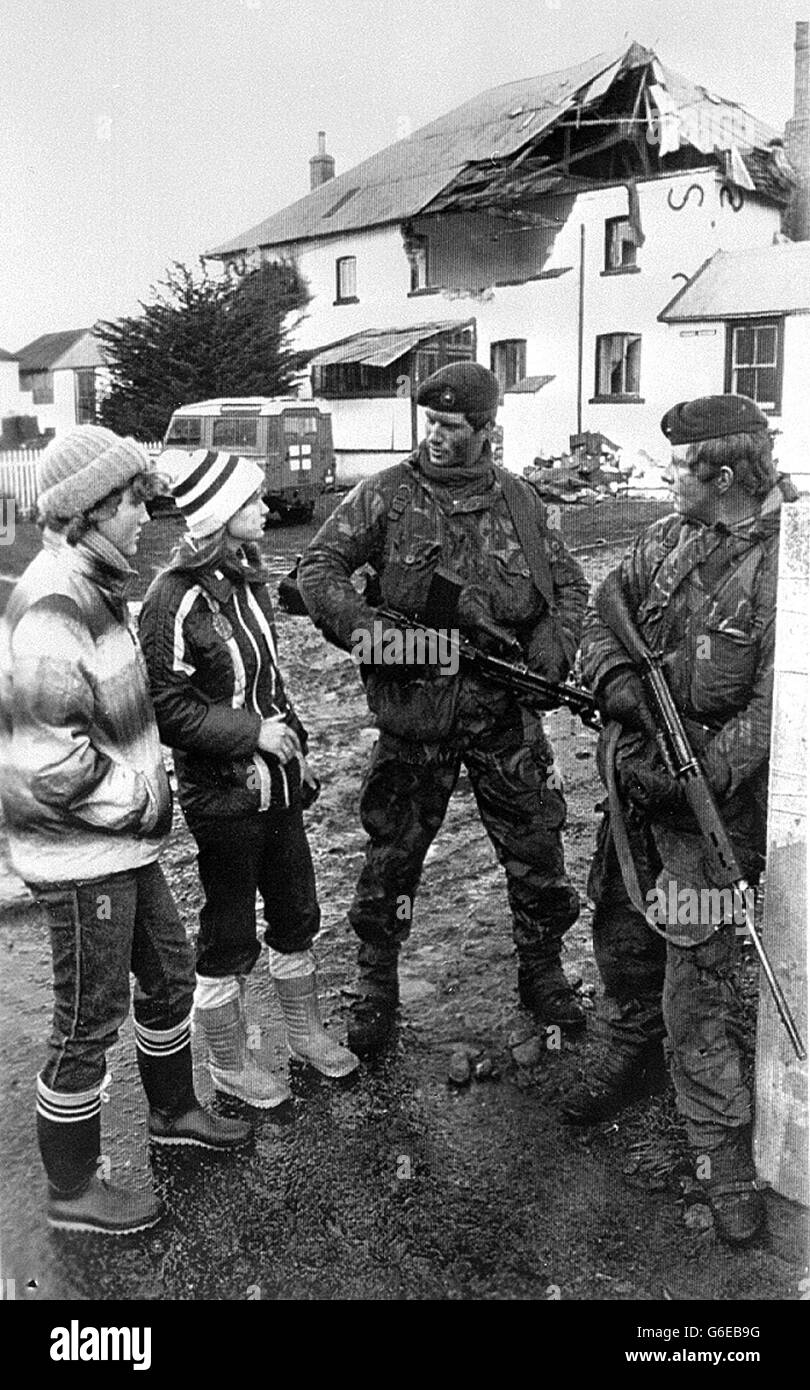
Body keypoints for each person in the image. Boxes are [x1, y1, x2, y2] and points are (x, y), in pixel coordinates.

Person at [0, 426, 250, 1237]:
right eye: (135, 500)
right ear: (93, 510)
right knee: (87, 1021)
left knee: (170, 975)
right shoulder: (53, 604)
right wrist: (144, 801)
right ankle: (72, 1190)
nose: (148, 514)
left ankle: (173, 1112)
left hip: (121, 843)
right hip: (83, 855)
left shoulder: (99, 585)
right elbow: (50, 765)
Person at [298, 362, 589, 1056]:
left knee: (536, 851)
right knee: (392, 859)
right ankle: (376, 981)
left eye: (451, 427)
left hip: (504, 717)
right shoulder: (387, 496)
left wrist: (553, 647)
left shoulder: (520, 502)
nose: (435, 437)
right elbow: (317, 572)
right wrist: (387, 641)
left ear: (488, 430)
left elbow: (572, 587)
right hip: (416, 721)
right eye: (430, 423)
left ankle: (543, 972)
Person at [562, 394, 798, 1245]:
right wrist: (619, 688)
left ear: (724, 475)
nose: (665, 480)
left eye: (677, 468)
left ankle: (719, 1145)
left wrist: (700, 776)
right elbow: (601, 610)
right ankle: (629, 1045)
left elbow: (781, 705)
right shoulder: (666, 538)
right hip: (634, 779)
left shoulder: (791, 561)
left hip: (711, 811)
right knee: (621, 919)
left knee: (694, 970)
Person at [139, 448, 358, 1109]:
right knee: (229, 930)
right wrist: (252, 734)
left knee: (296, 912)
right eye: (252, 500)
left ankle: (303, 1034)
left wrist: (298, 750)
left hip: (279, 789)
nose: (265, 508)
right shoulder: (170, 600)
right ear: (219, 514)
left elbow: (270, 684)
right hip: (223, 797)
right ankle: (231, 1063)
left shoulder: (246, 581)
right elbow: (165, 706)